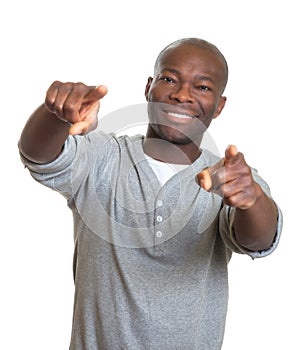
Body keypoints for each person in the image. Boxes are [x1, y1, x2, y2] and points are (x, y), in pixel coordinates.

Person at [18, 38, 282, 350]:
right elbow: (38, 155)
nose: (182, 95)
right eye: (169, 79)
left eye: (203, 87)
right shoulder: (103, 157)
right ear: (148, 88)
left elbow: (259, 240)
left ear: (219, 106)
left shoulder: (231, 178)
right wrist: (56, 116)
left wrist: (250, 201)